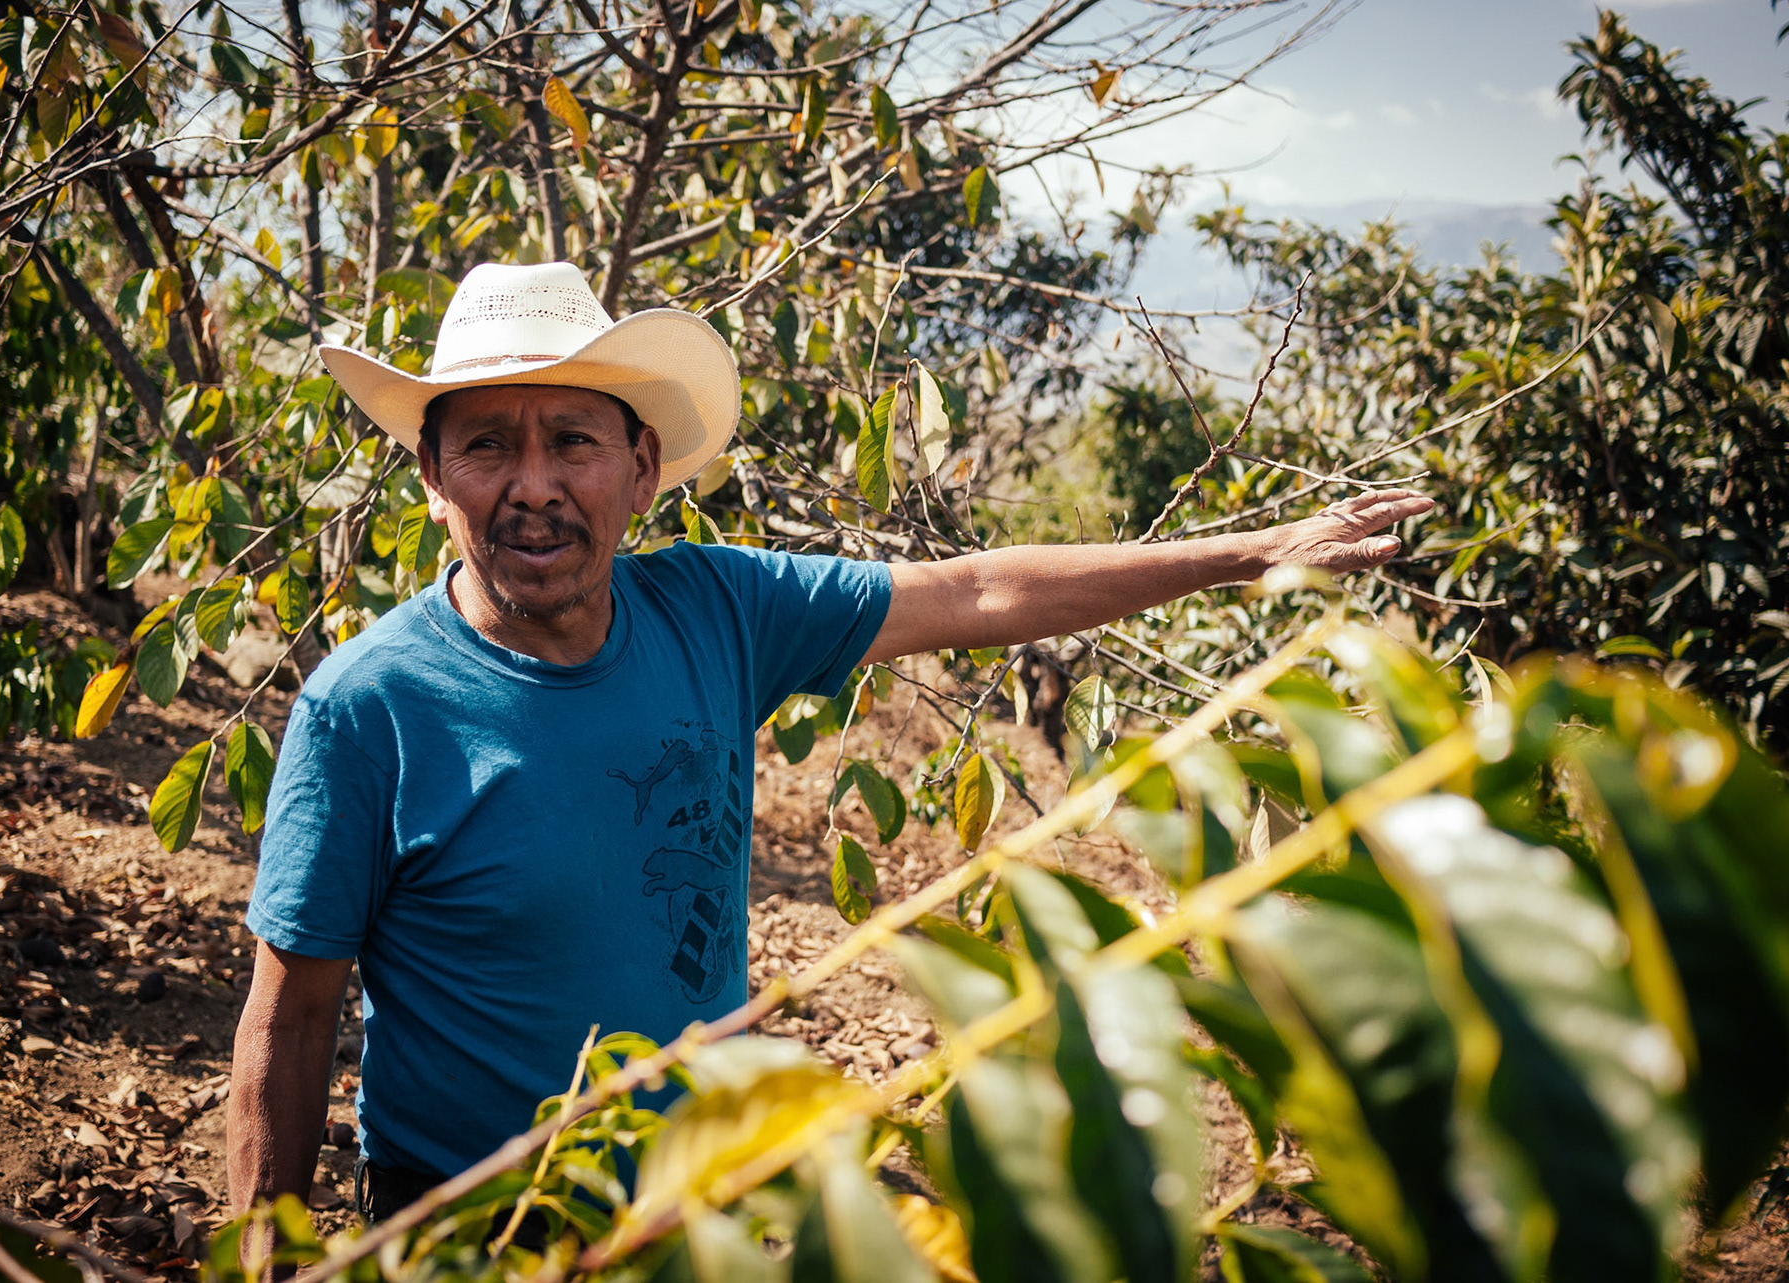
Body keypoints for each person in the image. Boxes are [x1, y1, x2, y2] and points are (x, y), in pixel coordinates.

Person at [225, 261, 1431, 1225]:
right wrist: (267, 1251)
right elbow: (292, 1012)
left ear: (641, 468)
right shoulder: (367, 707)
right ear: (432, 470)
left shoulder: (714, 609)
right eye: (487, 443)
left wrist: (1254, 551)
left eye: (571, 441)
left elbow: (980, 594)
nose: (530, 483)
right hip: (474, 1223)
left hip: (699, 1201)